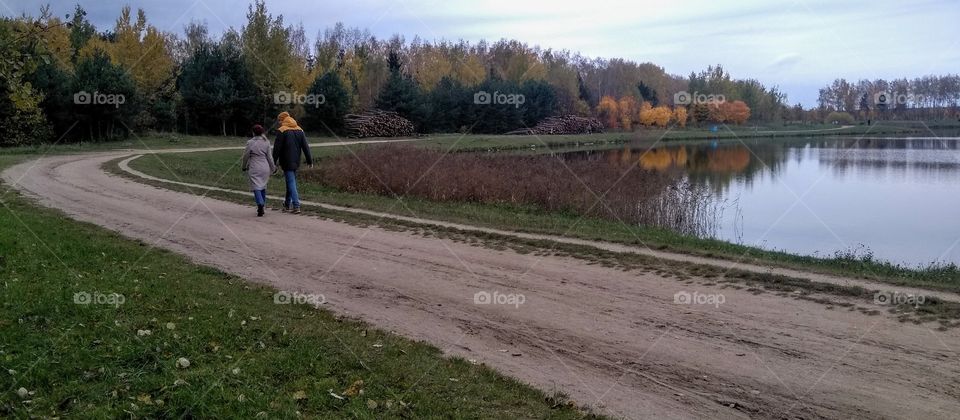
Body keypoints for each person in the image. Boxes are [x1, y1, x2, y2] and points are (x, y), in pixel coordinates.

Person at [271, 111, 312, 214]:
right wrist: (309, 161)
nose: (279, 123)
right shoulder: (300, 130)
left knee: (291, 182)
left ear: (282, 120)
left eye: (279, 121)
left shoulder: (282, 130)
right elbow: (306, 147)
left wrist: (273, 163)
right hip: (296, 161)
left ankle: (296, 205)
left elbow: (276, 149)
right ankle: (287, 204)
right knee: (290, 182)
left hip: (286, 161)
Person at [241, 124, 276, 217]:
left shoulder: (250, 142)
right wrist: (273, 168)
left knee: (256, 186)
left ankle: (260, 203)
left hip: (254, 167)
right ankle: (263, 205)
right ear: (262, 132)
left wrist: (244, 166)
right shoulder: (266, 142)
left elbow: (245, 156)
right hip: (265, 167)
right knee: (263, 186)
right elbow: (270, 157)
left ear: (253, 132)